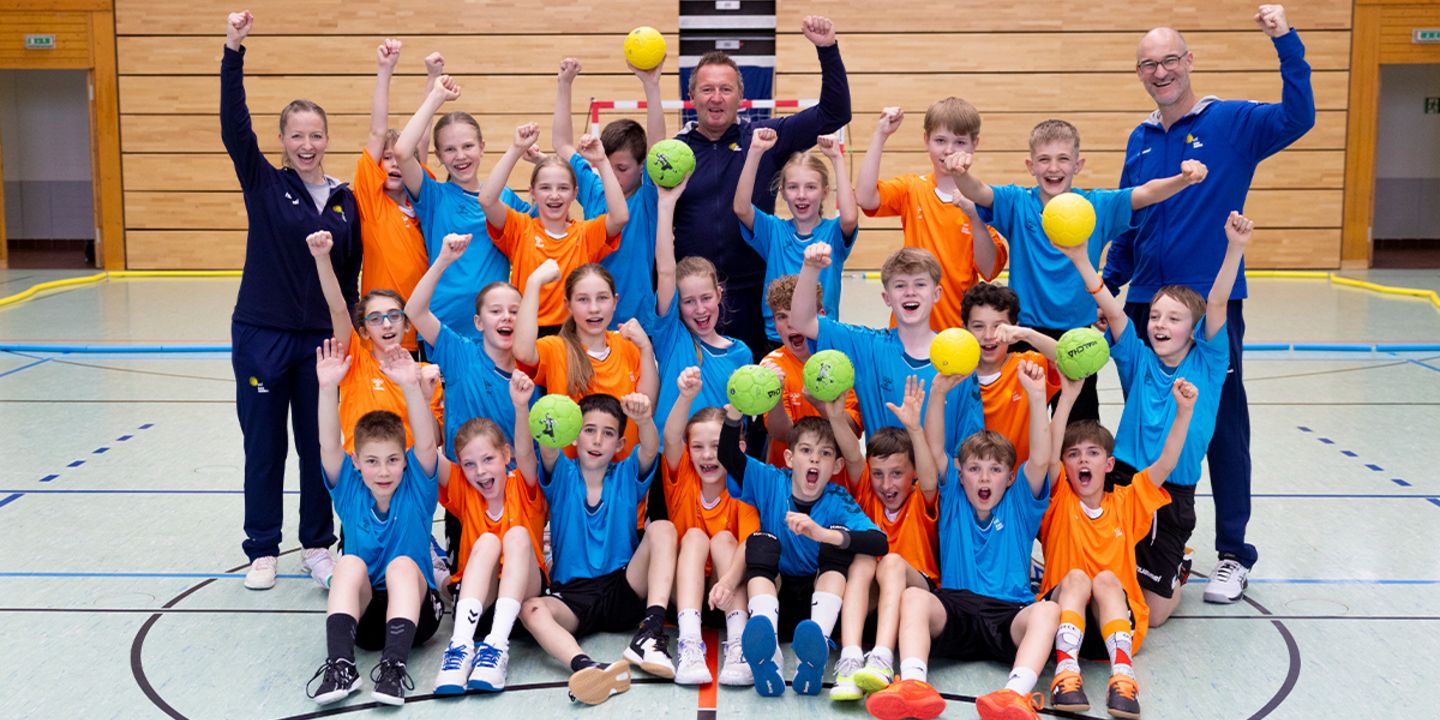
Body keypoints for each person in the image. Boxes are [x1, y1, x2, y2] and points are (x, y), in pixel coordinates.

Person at [1102, 4, 1314, 602]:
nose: (1161, 71)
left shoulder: (1233, 122)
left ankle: (1233, 552)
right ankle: (1151, 537)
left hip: (1210, 308)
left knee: (1221, 425)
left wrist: (1285, 41)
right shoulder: (1140, 138)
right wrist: (1113, 281)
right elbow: (1129, 217)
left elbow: (1300, 116)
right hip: (1146, 302)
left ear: (1189, 61)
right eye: (1149, 64)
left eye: (1171, 59)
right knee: (1149, 425)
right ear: (1140, 73)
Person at [221, 11, 360, 591]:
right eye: (296, 135)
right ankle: (262, 548)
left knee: (317, 443)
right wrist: (234, 50)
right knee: (265, 444)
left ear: (327, 140)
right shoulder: (263, 182)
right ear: (282, 140)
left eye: (316, 135)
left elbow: (350, 275)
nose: (307, 144)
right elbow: (234, 127)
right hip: (261, 334)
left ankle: (316, 545)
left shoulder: (346, 200)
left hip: (320, 343)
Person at [1060, 212, 1252, 626]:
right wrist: (1080, 259)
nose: (1161, 324)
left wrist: (1234, 247)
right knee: (1102, 579)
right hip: (1125, 484)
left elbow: (1217, 302)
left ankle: (1176, 568)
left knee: (1157, 613)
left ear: (1194, 329)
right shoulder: (1137, 358)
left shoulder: (1210, 362)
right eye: (1156, 316)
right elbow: (1112, 311)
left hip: (1173, 491)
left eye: (1174, 318)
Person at [947, 119, 1207, 422]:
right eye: (1044, 160)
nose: (1053, 168)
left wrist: (1183, 179)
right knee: (1019, 422)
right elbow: (977, 190)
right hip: (1023, 334)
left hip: (1079, 336)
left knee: (1078, 426)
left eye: (1063, 159)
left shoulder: (1097, 205)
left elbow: (1146, 193)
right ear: (1031, 166)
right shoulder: (1016, 202)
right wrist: (959, 173)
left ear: (1078, 165)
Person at [864, 362, 1058, 720]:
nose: (984, 478)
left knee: (1048, 610)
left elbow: (1042, 458)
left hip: (1008, 612)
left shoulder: (1020, 502)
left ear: (1011, 477)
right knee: (914, 597)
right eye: (974, 469)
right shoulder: (951, 495)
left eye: (995, 470)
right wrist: (937, 394)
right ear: (959, 472)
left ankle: (1014, 694)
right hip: (954, 607)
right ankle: (913, 683)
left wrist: (1035, 396)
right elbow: (936, 450)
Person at [670, 15, 851, 360]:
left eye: (726, 89)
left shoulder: (765, 138)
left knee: (758, 399)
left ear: (741, 95)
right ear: (691, 95)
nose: (716, 97)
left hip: (755, 301)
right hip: (694, 300)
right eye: (707, 89)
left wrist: (827, 49)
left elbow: (834, 113)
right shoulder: (676, 153)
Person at [1038, 374, 1197, 719]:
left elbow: (1165, 464)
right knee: (1078, 578)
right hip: (1060, 622)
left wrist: (1184, 411)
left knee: (1107, 580)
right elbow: (1048, 453)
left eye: (1093, 454)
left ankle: (1122, 677)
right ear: (1064, 466)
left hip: (1117, 622)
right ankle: (1066, 674)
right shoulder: (1059, 499)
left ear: (1108, 465)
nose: (1083, 461)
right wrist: (1066, 397)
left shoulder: (1126, 502)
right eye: (1074, 455)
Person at [307, 340, 443, 707]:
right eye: (372, 461)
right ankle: (340, 665)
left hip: (419, 613)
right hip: (367, 621)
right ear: (357, 462)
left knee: (401, 566)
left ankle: (394, 669)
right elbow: (328, 446)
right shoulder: (349, 489)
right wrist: (327, 387)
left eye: (393, 460)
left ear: (404, 461)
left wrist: (411, 386)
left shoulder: (417, 488)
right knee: (348, 563)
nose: (383, 471)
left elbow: (427, 444)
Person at [518, 393, 679, 705]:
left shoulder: (626, 474)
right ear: (574, 435)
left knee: (662, 528)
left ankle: (650, 631)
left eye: (608, 434)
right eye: (589, 430)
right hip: (574, 596)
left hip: (623, 585)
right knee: (531, 610)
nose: (597, 440)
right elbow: (545, 448)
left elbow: (648, 448)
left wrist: (644, 419)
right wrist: (525, 404)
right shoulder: (563, 475)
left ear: (619, 444)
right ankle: (587, 667)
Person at [717, 410, 887, 698]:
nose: (814, 459)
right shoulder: (771, 480)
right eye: (806, 451)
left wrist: (822, 533)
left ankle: (814, 650)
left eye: (825, 453)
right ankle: (768, 650)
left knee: (839, 546)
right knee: (760, 541)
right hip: (775, 599)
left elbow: (878, 542)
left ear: (837, 465)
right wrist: (734, 417)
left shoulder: (838, 499)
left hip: (817, 607)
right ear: (789, 459)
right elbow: (729, 456)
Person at [791, 244, 985, 459]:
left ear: (936, 293)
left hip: (941, 488)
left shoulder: (959, 358)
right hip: (883, 487)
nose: (910, 292)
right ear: (886, 298)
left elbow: (971, 447)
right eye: (900, 285)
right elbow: (802, 322)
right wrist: (810, 268)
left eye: (920, 284)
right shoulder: (868, 346)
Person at [431, 372, 549, 695]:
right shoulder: (464, 490)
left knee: (516, 537)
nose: (480, 471)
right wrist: (421, 394)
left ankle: (497, 648)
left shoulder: (522, 487)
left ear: (505, 456)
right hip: (482, 604)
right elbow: (427, 453)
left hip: (525, 594)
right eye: (469, 464)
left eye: (488, 459)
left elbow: (527, 452)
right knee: (486, 541)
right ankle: (460, 648)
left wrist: (521, 407)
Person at [394, 75, 532, 349]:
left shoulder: (506, 200)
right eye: (449, 149)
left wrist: (534, 157)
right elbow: (402, 151)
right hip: (441, 327)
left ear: (482, 147)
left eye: (467, 146)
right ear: (439, 156)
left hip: (495, 332)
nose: (460, 156)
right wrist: (436, 97)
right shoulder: (434, 196)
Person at [825, 377, 939, 702]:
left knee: (889, 561)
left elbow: (931, 477)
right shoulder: (866, 493)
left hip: (916, 590)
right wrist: (835, 416)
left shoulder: (922, 497)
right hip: (876, 598)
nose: (886, 484)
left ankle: (883, 660)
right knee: (862, 560)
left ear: (912, 473)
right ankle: (850, 660)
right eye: (878, 474)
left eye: (897, 473)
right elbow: (852, 455)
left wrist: (915, 429)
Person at [855, 100, 1006, 331]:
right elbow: (865, 198)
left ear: (975, 144)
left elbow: (988, 270)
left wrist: (976, 217)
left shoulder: (984, 199)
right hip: (908, 331)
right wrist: (880, 135)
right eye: (940, 141)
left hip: (959, 333)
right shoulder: (912, 188)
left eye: (960, 142)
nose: (949, 150)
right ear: (926, 140)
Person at [306, 230, 442, 461]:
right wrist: (322, 258)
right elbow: (338, 309)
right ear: (364, 332)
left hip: (407, 477)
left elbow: (436, 440)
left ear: (407, 325)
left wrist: (424, 397)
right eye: (376, 319)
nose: (387, 325)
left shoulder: (424, 374)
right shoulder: (355, 362)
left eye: (394, 316)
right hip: (362, 473)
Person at [662, 368, 760, 686]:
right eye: (697, 447)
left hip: (730, 591)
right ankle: (689, 644)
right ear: (688, 451)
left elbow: (748, 546)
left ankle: (739, 644)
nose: (707, 455)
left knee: (724, 540)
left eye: (717, 446)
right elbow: (669, 436)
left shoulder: (745, 487)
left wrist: (728, 584)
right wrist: (686, 396)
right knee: (693, 537)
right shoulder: (682, 480)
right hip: (687, 595)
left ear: (738, 447)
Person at [552, 56, 666, 328]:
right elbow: (562, 144)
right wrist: (564, 84)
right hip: (591, 319)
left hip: (637, 320)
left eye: (622, 168)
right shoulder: (594, 187)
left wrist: (651, 85)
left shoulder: (648, 196)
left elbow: (658, 146)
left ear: (642, 167)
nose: (613, 175)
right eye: (608, 165)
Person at [480, 122, 626, 333]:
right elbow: (486, 199)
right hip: (528, 333)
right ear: (532, 192)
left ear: (575, 193)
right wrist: (515, 149)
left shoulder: (585, 234)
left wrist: (602, 161)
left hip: (572, 335)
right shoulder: (520, 228)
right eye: (546, 188)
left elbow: (620, 216)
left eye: (563, 188)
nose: (555, 195)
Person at [405, 233, 533, 459]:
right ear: (478, 322)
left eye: (515, 312)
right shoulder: (460, 354)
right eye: (495, 311)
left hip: (512, 487)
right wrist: (443, 260)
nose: (507, 317)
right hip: (461, 486)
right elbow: (415, 311)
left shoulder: (534, 369)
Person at [515, 261, 659, 459]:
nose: (594, 308)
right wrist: (533, 283)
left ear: (615, 301)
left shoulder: (629, 344)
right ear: (568, 305)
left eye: (602, 298)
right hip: (573, 479)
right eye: (583, 300)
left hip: (623, 477)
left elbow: (647, 404)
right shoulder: (557, 348)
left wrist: (645, 347)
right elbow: (522, 352)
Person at [353, 39, 441, 354]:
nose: (394, 163)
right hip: (382, 328)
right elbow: (378, 132)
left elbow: (422, 139)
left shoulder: (424, 198)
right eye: (386, 158)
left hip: (422, 326)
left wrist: (433, 78)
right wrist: (384, 70)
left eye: (398, 158)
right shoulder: (371, 200)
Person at [736, 129, 858, 344]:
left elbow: (849, 218)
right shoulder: (773, 231)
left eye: (811, 187)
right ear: (782, 192)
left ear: (825, 192)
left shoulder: (832, 232)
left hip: (821, 338)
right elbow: (741, 208)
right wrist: (755, 152)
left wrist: (837, 158)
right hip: (778, 338)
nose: (801, 195)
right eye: (793, 187)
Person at [649, 178, 753, 427]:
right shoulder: (672, 337)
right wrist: (666, 204)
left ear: (719, 294)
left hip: (716, 462)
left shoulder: (741, 354)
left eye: (706, 298)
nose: (700, 309)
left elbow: (740, 423)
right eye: (688, 301)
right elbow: (665, 271)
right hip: (673, 459)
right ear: (677, 306)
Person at [758, 274, 862, 469]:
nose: (791, 323)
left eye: (798, 314)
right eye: (781, 316)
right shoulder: (772, 365)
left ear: (820, 315)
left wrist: (822, 405)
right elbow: (780, 434)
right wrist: (775, 395)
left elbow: (853, 429)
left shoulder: (843, 363)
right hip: (787, 480)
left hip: (837, 480)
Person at [960, 283, 1060, 466]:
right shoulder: (955, 375)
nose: (988, 335)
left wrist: (1027, 335)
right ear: (965, 329)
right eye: (978, 326)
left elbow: (1066, 358)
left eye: (999, 326)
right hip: (972, 483)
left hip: (1023, 481)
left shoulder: (1029, 365)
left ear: (1015, 328)